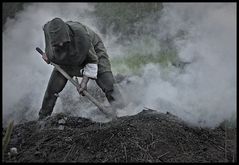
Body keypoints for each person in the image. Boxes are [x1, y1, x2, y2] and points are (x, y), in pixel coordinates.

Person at [38, 17, 124, 120]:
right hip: (64, 60)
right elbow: (49, 46)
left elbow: (92, 60)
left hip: (94, 53)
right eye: (57, 43)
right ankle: (42, 120)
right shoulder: (48, 29)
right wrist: (48, 55)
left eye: (63, 42)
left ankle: (122, 113)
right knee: (52, 89)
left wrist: (84, 83)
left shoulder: (82, 36)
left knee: (108, 84)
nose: (60, 44)